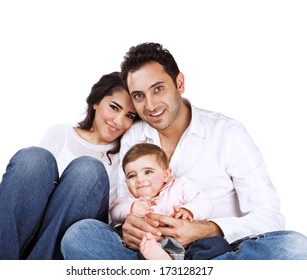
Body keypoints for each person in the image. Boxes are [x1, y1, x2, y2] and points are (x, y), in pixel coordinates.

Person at [61, 43, 307, 260]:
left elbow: (270, 216)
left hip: (218, 253)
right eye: (139, 96)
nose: (151, 105)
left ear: (179, 83)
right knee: (80, 236)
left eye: (158, 89)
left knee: (294, 247)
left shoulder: (228, 133)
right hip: (149, 252)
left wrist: (209, 228)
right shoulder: (134, 135)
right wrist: (128, 225)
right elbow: (123, 202)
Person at [0, 71, 138, 260]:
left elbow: (116, 218)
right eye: (114, 107)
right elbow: (28, 196)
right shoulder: (59, 134)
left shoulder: (127, 158)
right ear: (96, 102)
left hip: (68, 242)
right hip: (30, 234)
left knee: (88, 170)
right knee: (33, 159)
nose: (119, 121)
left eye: (129, 115)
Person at [110, 142, 219, 260]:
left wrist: (188, 210)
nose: (140, 179)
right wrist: (131, 208)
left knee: (216, 244)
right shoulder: (131, 199)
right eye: (132, 176)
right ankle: (163, 258)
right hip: (151, 244)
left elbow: (203, 201)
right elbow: (114, 211)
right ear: (126, 182)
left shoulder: (179, 186)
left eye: (148, 172)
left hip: (188, 244)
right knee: (138, 245)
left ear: (166, 174)